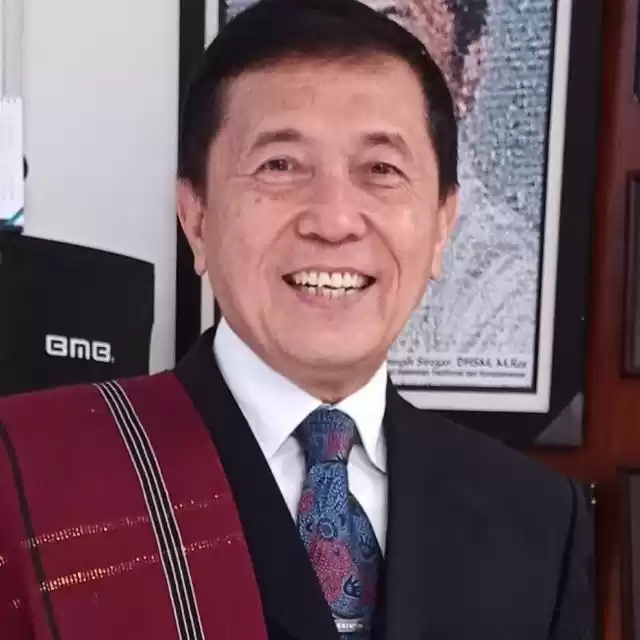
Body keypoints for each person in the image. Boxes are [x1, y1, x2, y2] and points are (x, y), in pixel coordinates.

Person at [0, 0, 592, 638]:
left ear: (442, 226)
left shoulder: (538, 521)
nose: (333, 220)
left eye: (381, 170)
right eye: (280, 166)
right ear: (196, 218)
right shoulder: (32, 476)